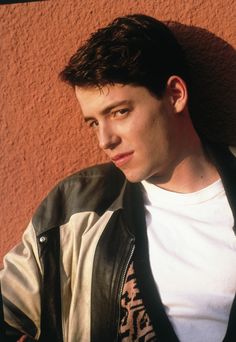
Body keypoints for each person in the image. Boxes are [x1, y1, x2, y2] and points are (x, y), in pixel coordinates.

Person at [1, 14, 236, 342]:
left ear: (175, 95)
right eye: (94, 122)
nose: (104, 140)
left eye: (119, 112)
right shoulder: (75, 208)